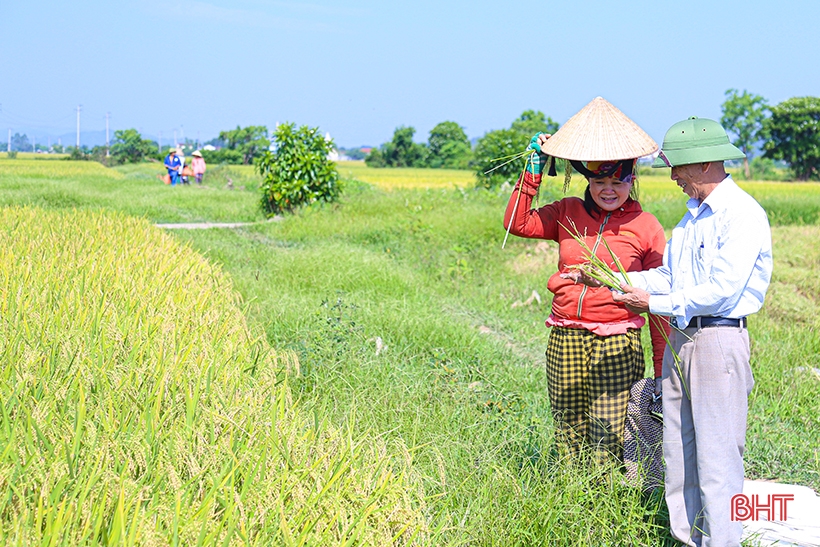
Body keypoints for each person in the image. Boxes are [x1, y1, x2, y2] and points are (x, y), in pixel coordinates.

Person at [569, 117, 773, 546]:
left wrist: (652, 305)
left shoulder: (741, 216)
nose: (675, 177)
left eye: (678, 167)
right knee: (678, 453)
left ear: (704, 163)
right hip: (682, 341)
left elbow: (720, 291)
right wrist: (613, 280)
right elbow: (670, 277)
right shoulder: (692, 219)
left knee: (718, 458)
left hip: (717, 340)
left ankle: (723, 541)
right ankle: (689, 539)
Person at [503, 97, 671, 466]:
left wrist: (661, 370)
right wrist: (532, 170)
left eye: (617, 181)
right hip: (565, 337)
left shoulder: (646, 227)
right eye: (599, 181)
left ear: (632, 181)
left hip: (617, 342)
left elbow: (658, 299)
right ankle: (571, 496)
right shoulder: (567, 212)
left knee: (608, 434)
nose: (608, 190)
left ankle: (606, 503)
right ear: (588, 181)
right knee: (567, 429)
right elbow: (517, 222)